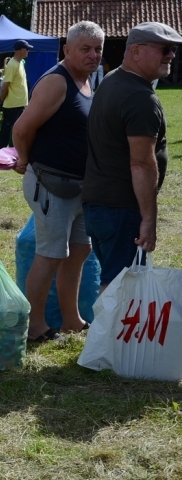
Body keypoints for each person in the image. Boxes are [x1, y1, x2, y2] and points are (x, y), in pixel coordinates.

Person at [12, 21, 104, 343]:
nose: (93, 55)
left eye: (97, 49)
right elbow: (22, 129)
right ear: (67, 50)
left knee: (79, 251)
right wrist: (24, 161)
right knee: (50, 254)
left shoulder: (88, 79)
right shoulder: (57, 82)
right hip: (51, 184)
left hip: (80, 187)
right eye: (85, 49)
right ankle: (34, 325)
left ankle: (71, 319)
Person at [83, 22, 182, 294]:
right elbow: (141, 162)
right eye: (165, 49)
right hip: (121, 208)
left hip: (99, 203)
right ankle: (110, 337)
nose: (171, 55)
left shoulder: (113, 80)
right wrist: (148, 220)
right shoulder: (139, 97)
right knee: (121, 286)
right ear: (136, 52)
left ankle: (109, 335)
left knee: (115, 279)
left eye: (173, 50)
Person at [0, 39, 31, 150]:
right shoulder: (12, 65)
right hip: (12, 106)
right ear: (20, 50)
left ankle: (13, 154)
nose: (28, 51)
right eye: (27, 49)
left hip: (20, 104)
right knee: (6, 133)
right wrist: (2, 99)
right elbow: (5, 86)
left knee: (17, 132)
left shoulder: (20, 63)